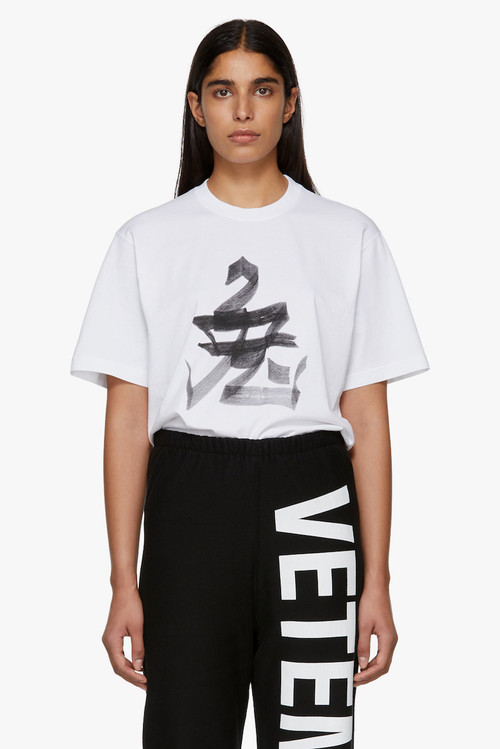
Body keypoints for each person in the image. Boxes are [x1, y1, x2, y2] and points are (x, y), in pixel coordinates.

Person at [69, 18, 430, 749]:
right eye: (222, 91)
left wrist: (378, 581)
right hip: (190, 502)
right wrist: (122, 580)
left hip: (313, 500)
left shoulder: (348, 235)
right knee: (186, 733)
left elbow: (367, 419)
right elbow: (128, 420)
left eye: (262, 90)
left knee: (310, 738)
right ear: (196, 106)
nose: (242, 110)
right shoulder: (146, 239)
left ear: (289, 103)